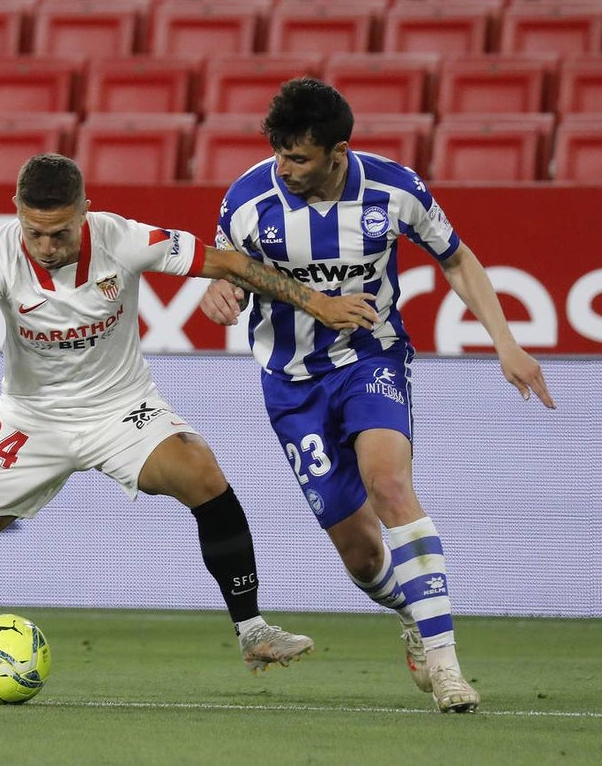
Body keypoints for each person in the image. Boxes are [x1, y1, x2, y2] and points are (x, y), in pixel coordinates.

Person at [0, 152, 379, 700]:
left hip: (121, 408)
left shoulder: (122, 238)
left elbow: (228, 263)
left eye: (60, 232)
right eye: (35, 232)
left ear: (85, 210)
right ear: (16, 210)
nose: (46, 245)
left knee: (203, 473)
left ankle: (252, 630)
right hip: (30, 419)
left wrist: (319, 303)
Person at [199, 78, 556, 713]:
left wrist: (505, 342)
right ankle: (411, 611)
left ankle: (447, 669)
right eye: (279, 153)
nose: (284, 168)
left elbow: (456, 258)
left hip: (371, 358)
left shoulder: (395, 189)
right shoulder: (249, 199)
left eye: (299, 158)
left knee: (390, 484)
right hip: (290, 385)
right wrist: (217, 293)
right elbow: (228, 270)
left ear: (339, 151)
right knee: (362, 557)